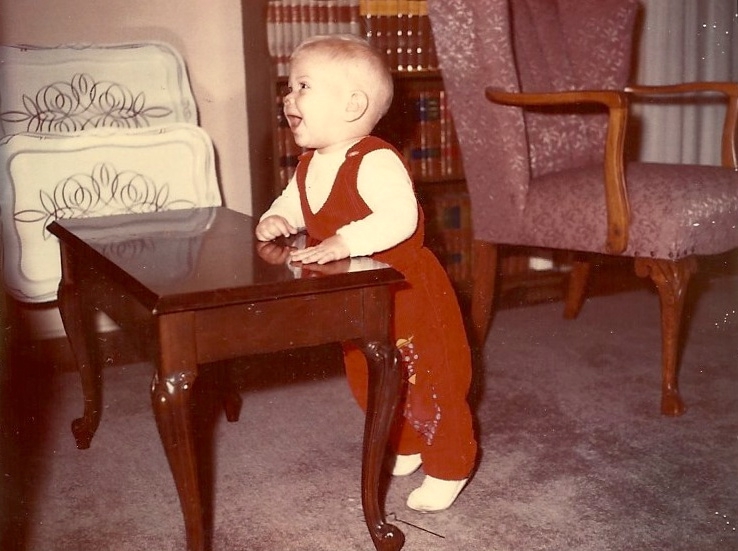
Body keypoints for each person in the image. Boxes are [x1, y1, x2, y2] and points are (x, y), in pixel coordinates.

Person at [255, 34, 477, 512]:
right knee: (370, 375)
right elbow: (295, 204)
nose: (287, 98)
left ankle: (451, 462)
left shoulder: (374, 159)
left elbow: (401, 218)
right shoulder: (310, 162)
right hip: (356, 295)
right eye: (290, 87)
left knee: (430, 376)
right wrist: (277, 217)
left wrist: (345, 240)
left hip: (407, 293)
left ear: (353, 104)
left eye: (303, 86)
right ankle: (406, 441)